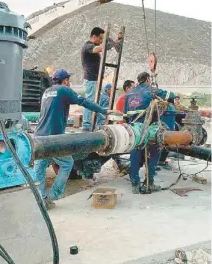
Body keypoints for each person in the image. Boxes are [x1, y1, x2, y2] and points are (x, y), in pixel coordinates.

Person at [34, 69, 121, 209]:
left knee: (40, 168)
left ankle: (40, 200)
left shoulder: (47, 91)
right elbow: (83, 101)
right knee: (67, 163)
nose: (69, 82)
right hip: (55, 139)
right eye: (69, 79)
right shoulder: (63, 90)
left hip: (39, 136)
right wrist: (104, 111)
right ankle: (53, 196)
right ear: (66, 80)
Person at [123, 71, 175, 194]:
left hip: (134, 130)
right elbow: (171, 96)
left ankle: (135, 184)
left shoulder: (129, 94)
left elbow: (125, 116)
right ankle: (149, 183)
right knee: (154, 152)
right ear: (147, 79)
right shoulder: (150, 91)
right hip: (149, 130)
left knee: (135, 154)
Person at [81, 27, 123, 131]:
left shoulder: (93, 45)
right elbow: (100, 48)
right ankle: (87, 125)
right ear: (94, 36)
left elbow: (103, 47)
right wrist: (111, 42)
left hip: (94, 80)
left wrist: (115, 41)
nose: (101, 41)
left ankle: (98, 122)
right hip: (90, 80)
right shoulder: (88, 46)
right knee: (90, 101)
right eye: (100, 38)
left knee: (95, 102)